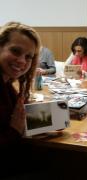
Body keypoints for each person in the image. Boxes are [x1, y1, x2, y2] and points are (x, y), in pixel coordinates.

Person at [0, 21, 41, 177]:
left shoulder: (7, 85)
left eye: (29, 57)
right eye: (16, 51)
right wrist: (15, 130)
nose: (23, 61)